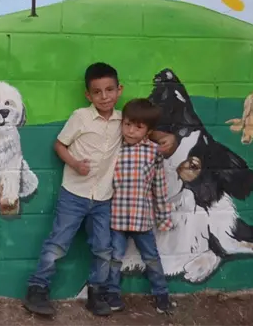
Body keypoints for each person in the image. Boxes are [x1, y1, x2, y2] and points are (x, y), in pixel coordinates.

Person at [23, 62, 178, 318]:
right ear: (88, 95)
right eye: (97, 92)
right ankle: (37, 289)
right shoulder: (80, 117)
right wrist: (74, 163)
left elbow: (143, 129)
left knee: (103, 249)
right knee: (58, 243)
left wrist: (169, 137)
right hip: (74, 193)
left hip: (105, 199)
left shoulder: (122, 121)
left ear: (119, 91)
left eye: (109, 90)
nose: (104, 97)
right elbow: (59, 145)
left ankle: (97, 293)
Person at [104, 98, 176, 314]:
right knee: (114, 259)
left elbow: (160, 187)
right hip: (116, 218)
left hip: (141, 219)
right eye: (127, 124)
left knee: (152, 258)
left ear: (148, 131)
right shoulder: (115, 148)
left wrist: (164, 217)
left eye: (138, 127)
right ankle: (113, 294)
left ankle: (162, 294)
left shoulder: (154, 152)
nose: (131, 131)